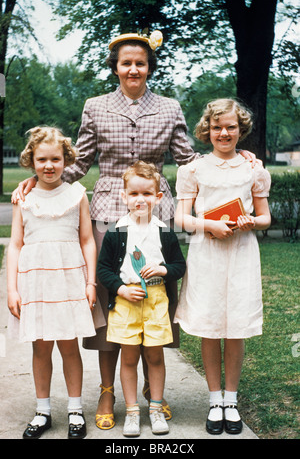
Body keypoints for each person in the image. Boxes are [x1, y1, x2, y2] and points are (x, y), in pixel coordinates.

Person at [11, 30, 257, 430]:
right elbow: (81, 161)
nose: (133, 69)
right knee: (112, 311)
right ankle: (108, 390)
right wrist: (37, 184)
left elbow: (189, 158)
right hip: (109, 209)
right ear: (116, 67)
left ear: (149, 67)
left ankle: (152, 394)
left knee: (155, 303)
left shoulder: (169, 107)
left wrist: (230, 152)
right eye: (125, 63)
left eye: (140, 63)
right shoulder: (95, 106)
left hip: (156, 212)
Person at [174, 99, 271, 435]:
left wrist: (251, 222)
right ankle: (214, 400)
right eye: (217, 127)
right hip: (207, 253)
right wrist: (208, 225)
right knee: (210, 325)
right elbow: (180, 217)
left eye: (230, 127)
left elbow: (265, 216)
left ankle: (231, 399)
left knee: (235, 326)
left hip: (241, 253)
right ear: (207, 130)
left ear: (240, 129)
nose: (224, 133)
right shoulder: (193, 169)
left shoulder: (253, 169)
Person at [7, 126, 97, 439]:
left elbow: (87, 240)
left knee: (70, 348)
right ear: (31, 161)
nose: (49, 165)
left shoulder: (77, 194)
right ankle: (42, 411)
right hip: (35, 283)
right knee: (41, 349)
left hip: (70, 280)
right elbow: (15, 245)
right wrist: (12, 289)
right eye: (42, 159)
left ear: (66, 160)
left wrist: (91, 282)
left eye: (55, 159)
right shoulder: (23, 197)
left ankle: (75, 410)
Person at [97, 161, 186, 437]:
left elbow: (179, 266)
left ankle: (156, 408)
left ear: (158, 198)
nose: (140, 200)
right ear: (124, 196)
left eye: (147, 194)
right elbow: (104, 270)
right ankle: (132, 411)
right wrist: (121, 289)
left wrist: (163, 270)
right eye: (134, 194)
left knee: (155, 356)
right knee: (128, 357)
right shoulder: (116, 231)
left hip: (156, 300)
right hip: (126, 301)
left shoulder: (164, 230)